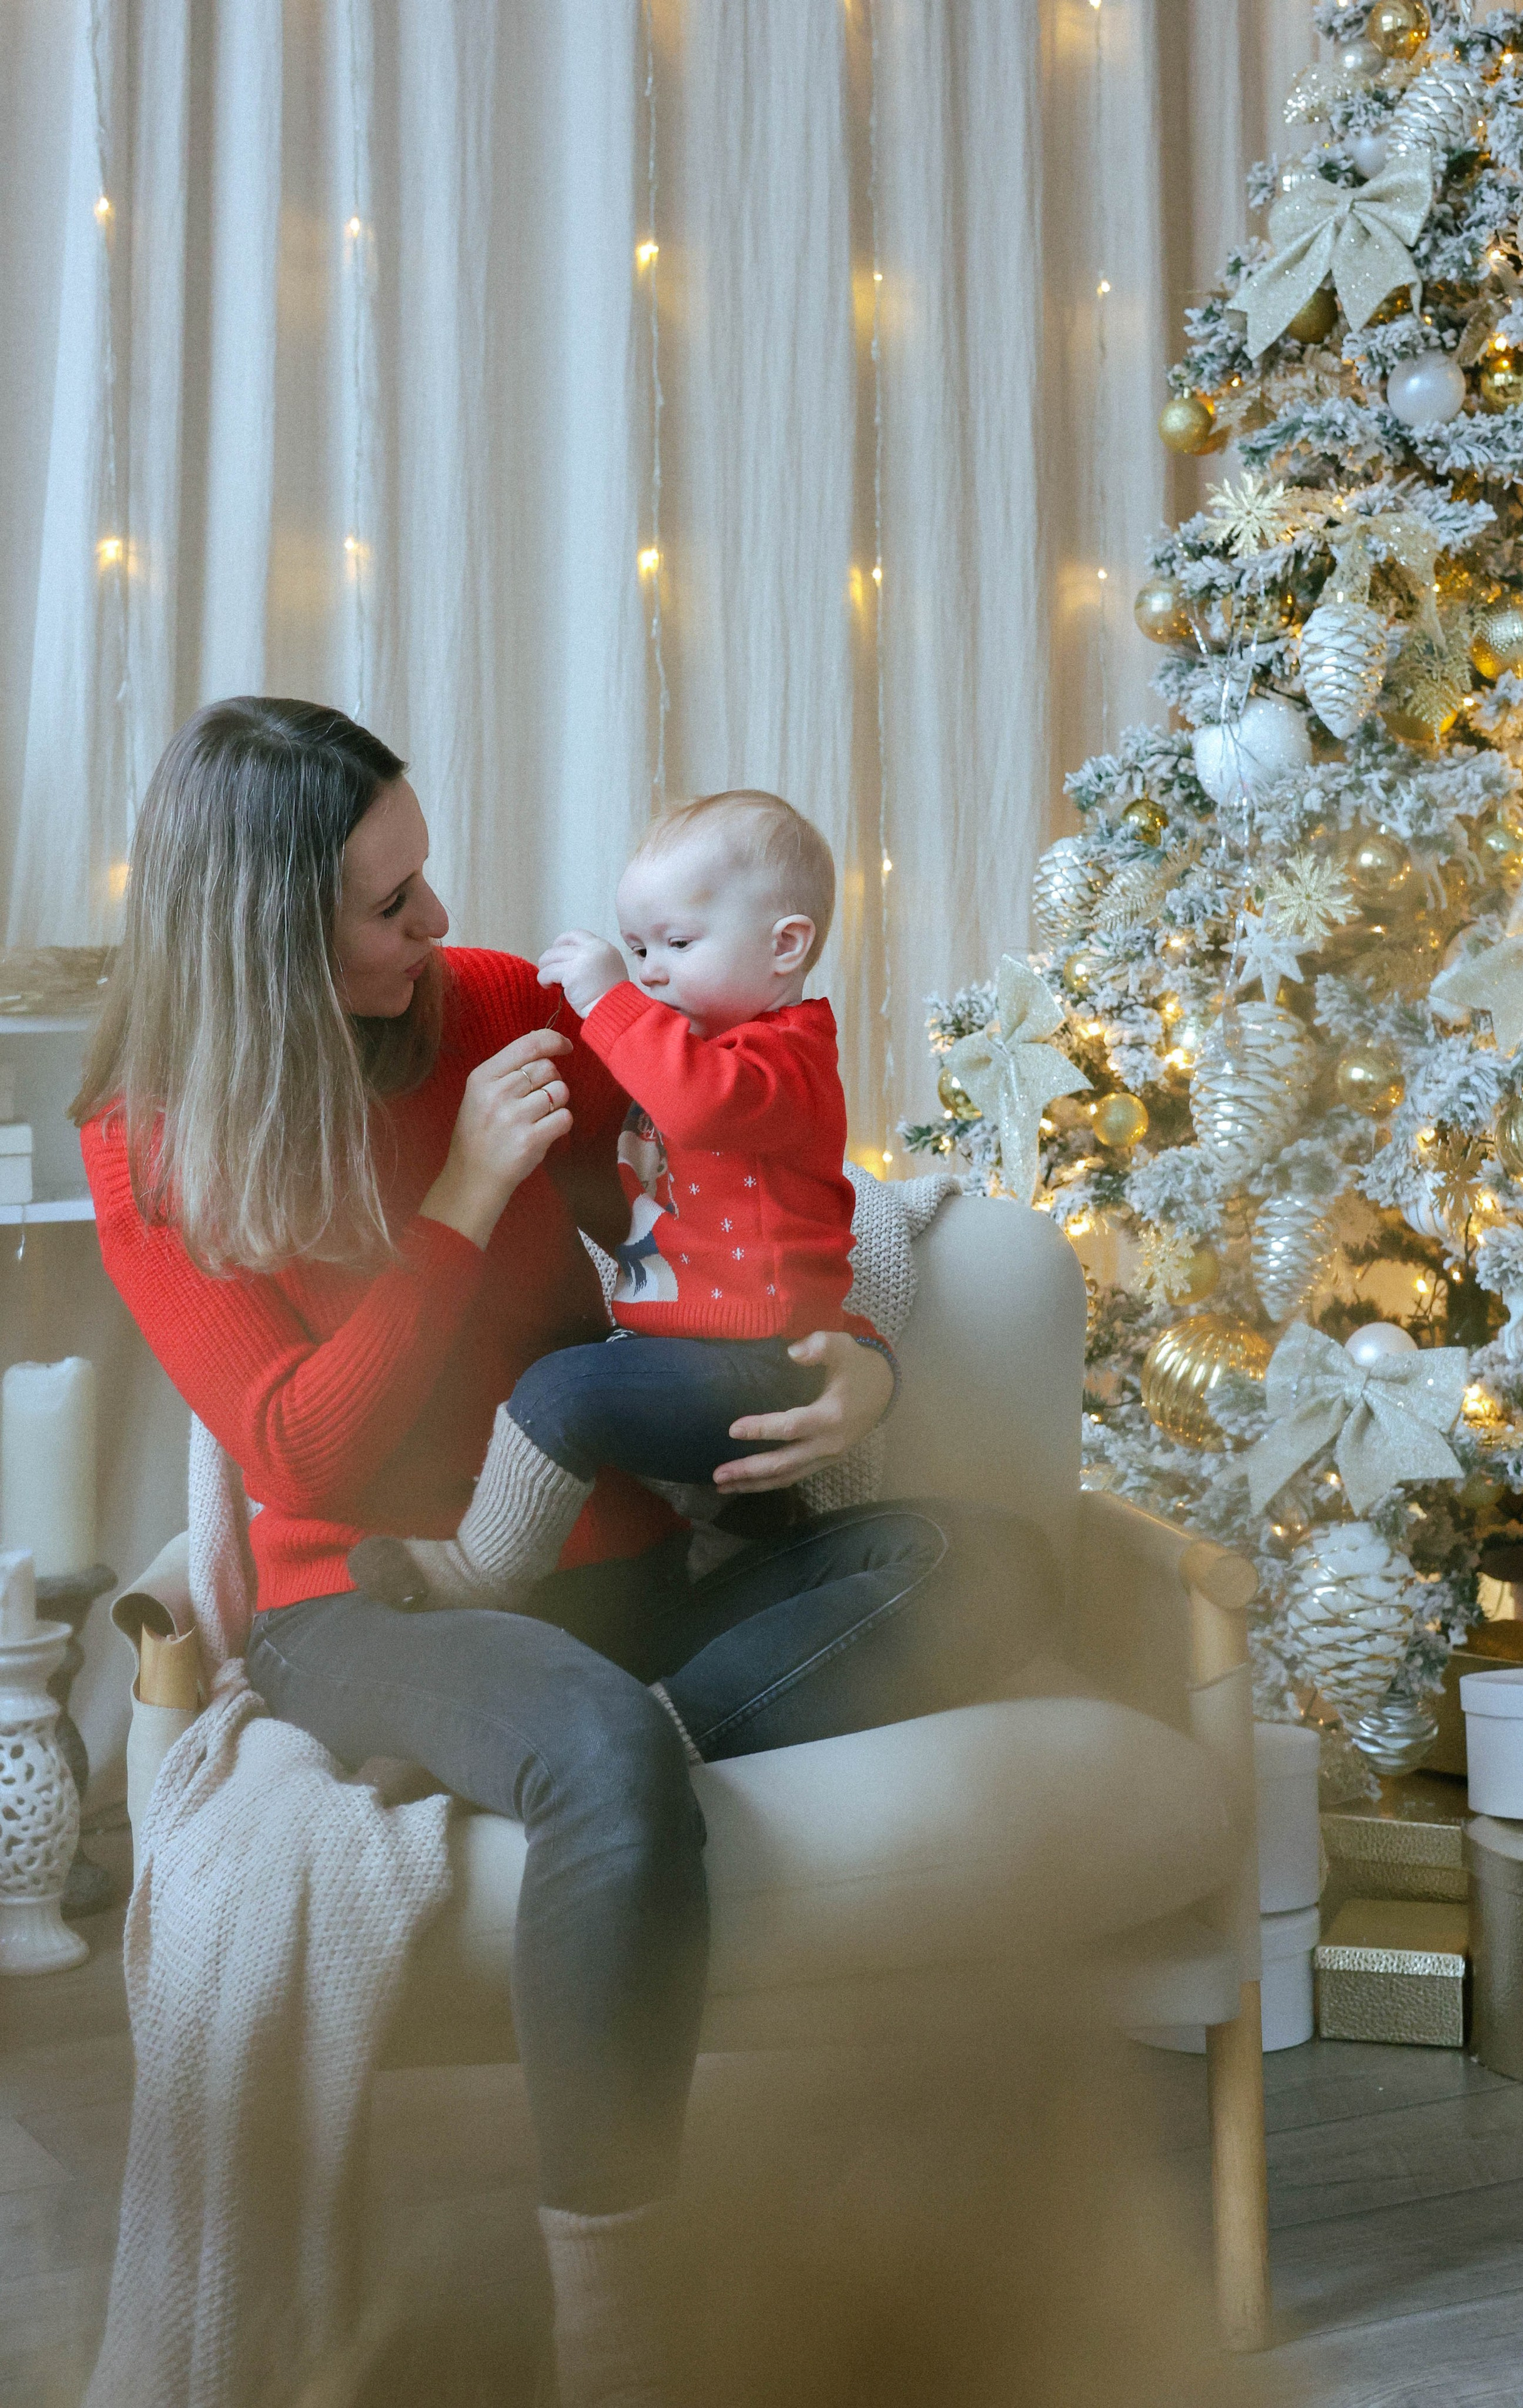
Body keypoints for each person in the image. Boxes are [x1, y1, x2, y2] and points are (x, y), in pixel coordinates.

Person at [75, 697, 1057, 2408]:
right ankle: (616, 2327)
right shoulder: (151, 1138)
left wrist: (857, 1363)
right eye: (391, 906)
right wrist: (461, 1197)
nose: (438, 925)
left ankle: (604, 1752)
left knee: (988, 1572)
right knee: (597, 1751)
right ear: (270, 935)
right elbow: (305, 1447)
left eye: (424, 879)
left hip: (626, 1577)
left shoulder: (493, 1012)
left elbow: (742, 1191)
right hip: (370, 1606)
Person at [354, 788, 890, 1618]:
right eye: (637, 949)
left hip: (752, 1361)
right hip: (691, 1350)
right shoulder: (695, 1043)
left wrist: (609, 997)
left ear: (786, 946)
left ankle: (478, 1573)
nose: (650, 974)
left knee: (560, 1394)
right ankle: (742, 1545)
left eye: (678, 943)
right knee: (626, 1429)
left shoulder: (785, 1061)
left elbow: (697, 1103)